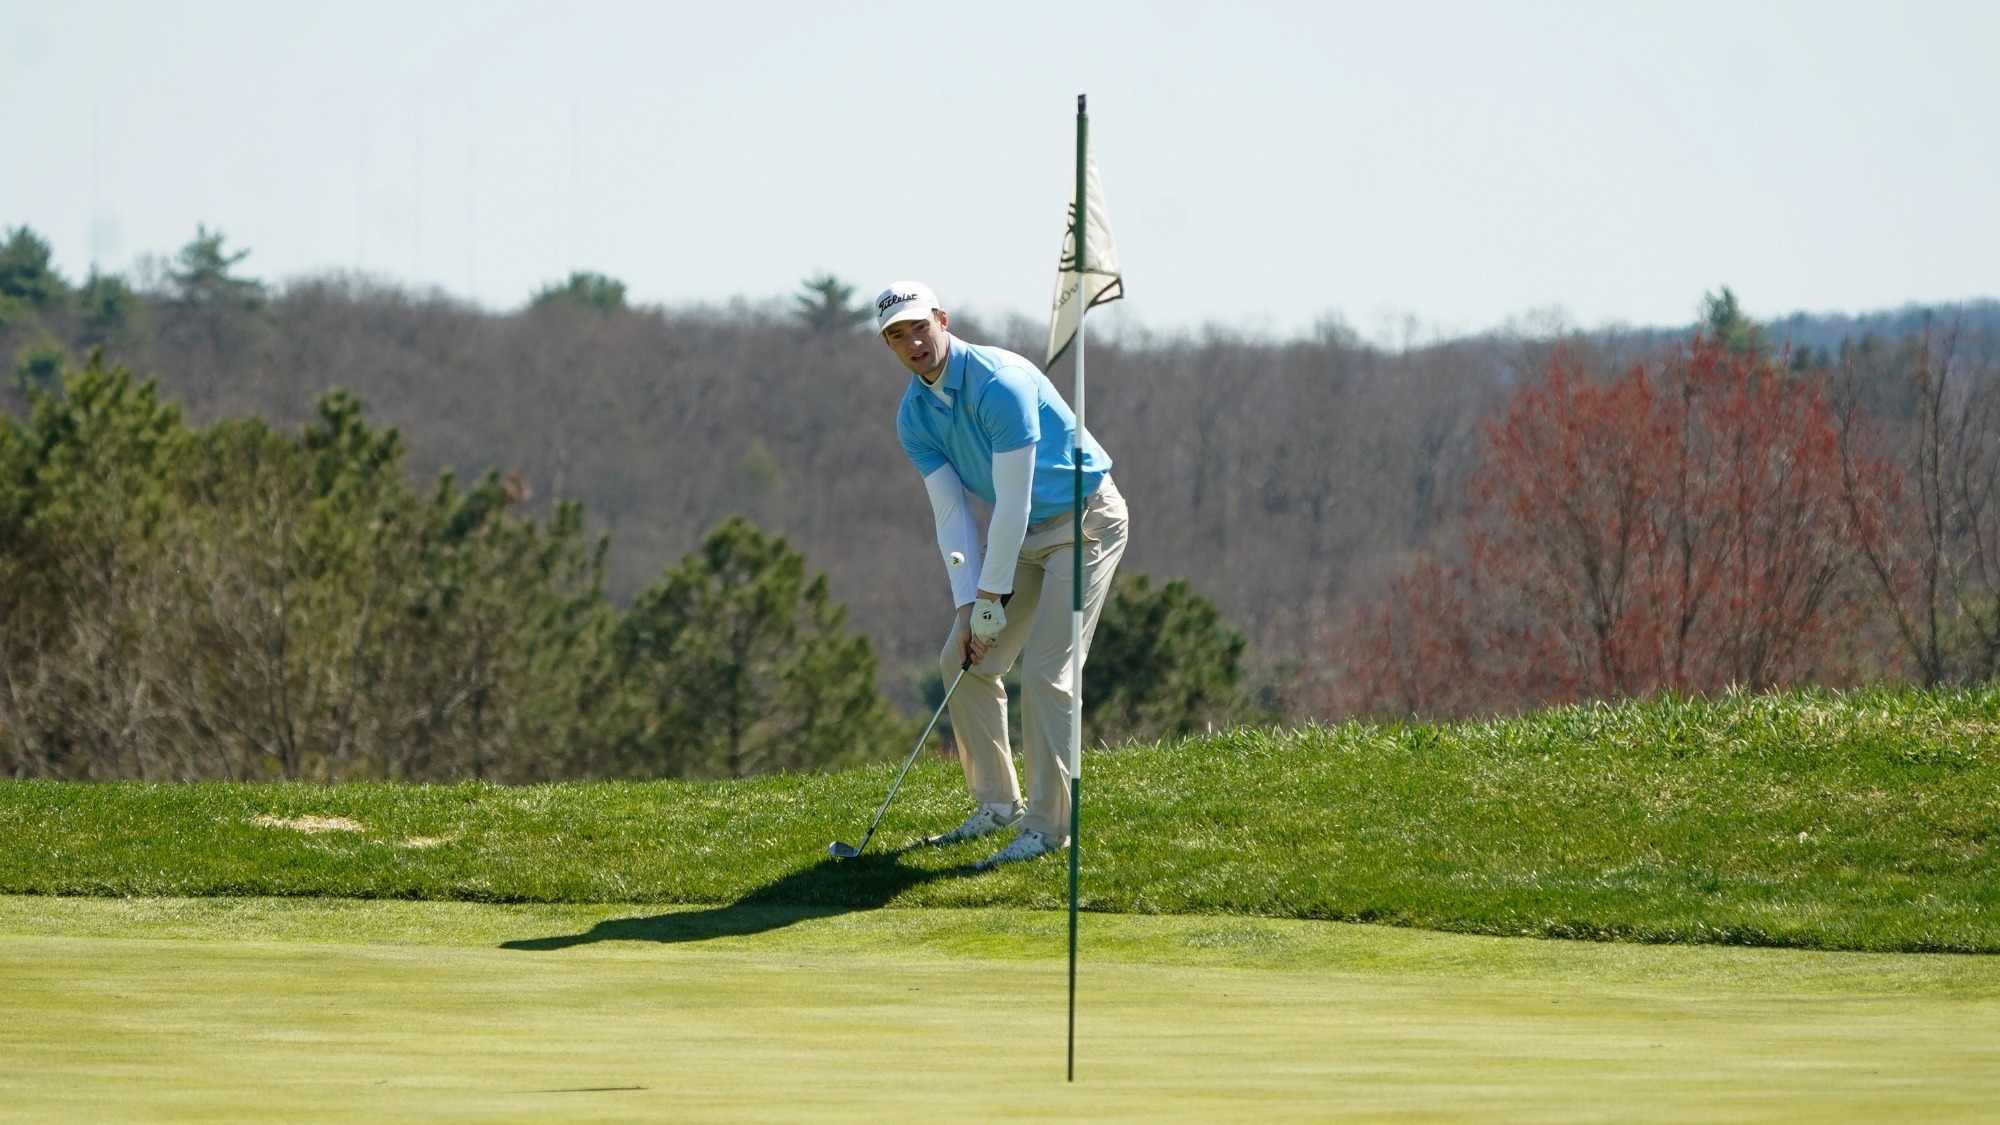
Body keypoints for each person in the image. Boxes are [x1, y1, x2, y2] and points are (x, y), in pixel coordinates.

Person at [874, 280, 1129, 868]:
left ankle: (1049, 828)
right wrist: (970, 607)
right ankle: (998, 805)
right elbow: (952, 516)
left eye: (920, 327)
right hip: (1022, 537)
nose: (913, 343)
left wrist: (991, 597)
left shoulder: (1000, 383)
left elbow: (1012, 502)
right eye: (897, 335)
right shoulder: (914, 416)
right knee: (963, 661)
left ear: (942, 319)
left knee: (1047, 673)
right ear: (887, 345)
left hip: (1084, 522)